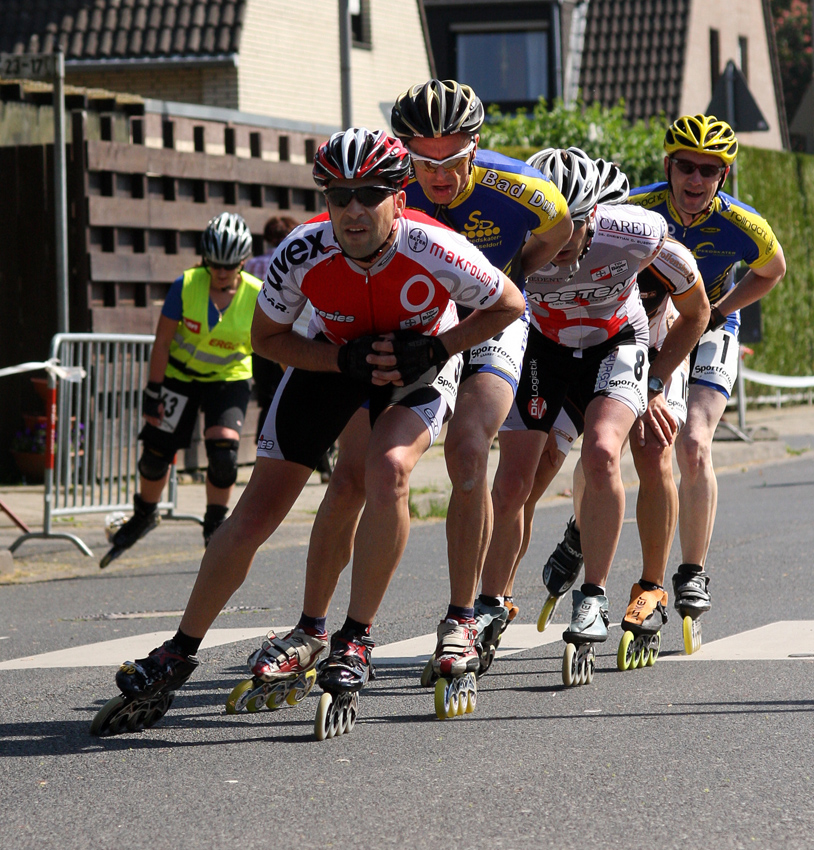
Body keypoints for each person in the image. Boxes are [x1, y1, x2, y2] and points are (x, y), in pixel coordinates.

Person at [101, 128, 525, 724]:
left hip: (414, 368)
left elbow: (509, 303)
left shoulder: (436, 246)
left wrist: (439, 348)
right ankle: (181, 649)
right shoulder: (301, 252)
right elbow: (267, 340)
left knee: (387, 470)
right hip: (332, 362)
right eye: (340, 194)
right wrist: (338, 359)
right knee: (257, 511)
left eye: (370, 193)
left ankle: (356, 636)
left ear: (399, 198)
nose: (353, 208)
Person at [269, 79, 572, 687]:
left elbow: (555, 233)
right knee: (357, 470)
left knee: (467, 453)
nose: (438, 173)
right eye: (423, 159)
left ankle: (464, 616)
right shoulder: (386, 190)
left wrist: (507, 274)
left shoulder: (524, 189)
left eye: (453, 158)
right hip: (412, 325)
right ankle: (314, 627)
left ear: (476, 145)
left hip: (484, 317)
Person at [544, 115, 786, 629]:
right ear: (667, 166)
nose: (694, 180)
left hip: (710, 319)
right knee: (601, 437)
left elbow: (773, 270)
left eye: (708, 170)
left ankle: (693, 571)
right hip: (647, 322)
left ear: (724, 176)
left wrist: (722, 311)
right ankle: (582, 530)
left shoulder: (745, 224)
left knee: (693, 442)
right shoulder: (637, 209)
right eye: (684, 167)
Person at [495, 159, 710, 645]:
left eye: (579, 224)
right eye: (556, 227)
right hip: (554, 349)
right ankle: (502, 592)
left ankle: (650, 587)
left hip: (642, 345)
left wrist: (656, 382)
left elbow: (697, 313)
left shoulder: (640, 236)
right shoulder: (522, 241)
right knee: (534, 468)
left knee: (649, 449)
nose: (566, 240)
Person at [99, 212, 261, 569]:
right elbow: (162, 342)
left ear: (243, 261)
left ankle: (214, 525)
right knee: (155, 455)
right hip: (180, 378)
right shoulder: (185, 285)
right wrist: (153, 392)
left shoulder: (256, 293)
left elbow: (269, 343)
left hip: (228, 379)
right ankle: (144, 514)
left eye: (229, 265)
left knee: (224, 455)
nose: (220, 272)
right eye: (214, 264)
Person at [244, 215, 299, 437]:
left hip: (258, 338)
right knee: (290, 394)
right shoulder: (293, 261)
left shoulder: (250, 264)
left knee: (267, 397)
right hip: (288, 338)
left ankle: (265, 444)